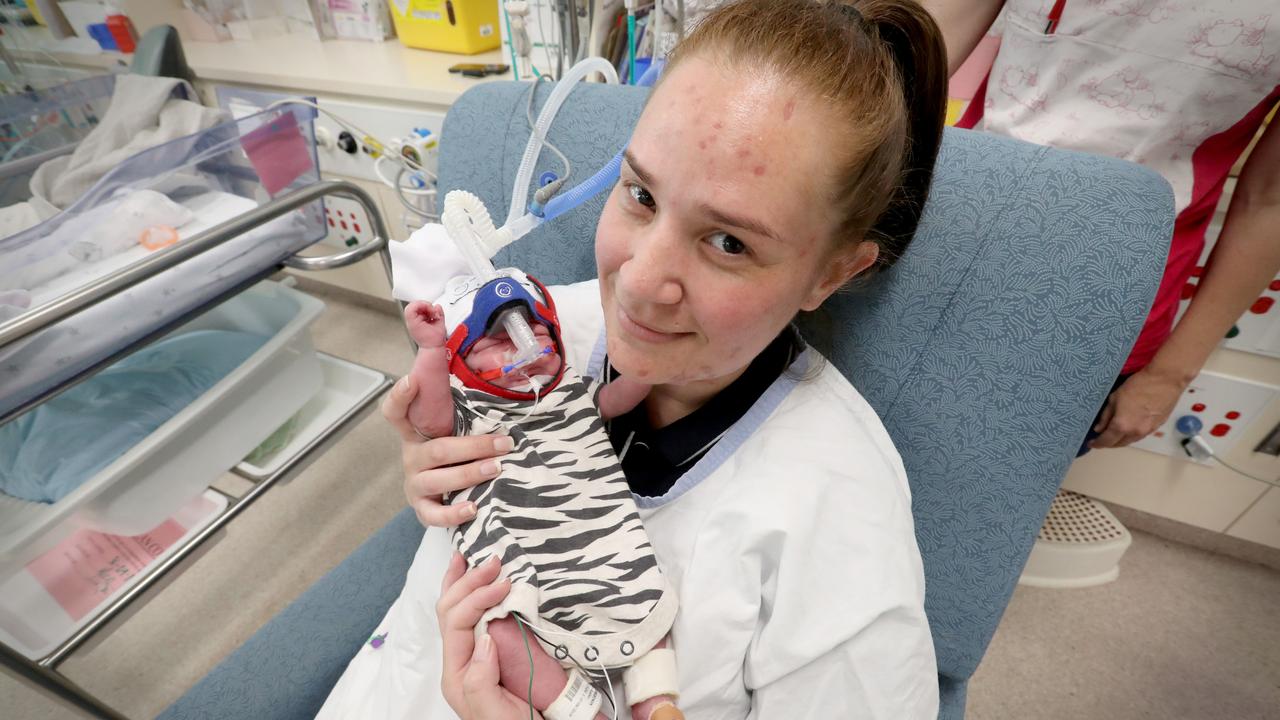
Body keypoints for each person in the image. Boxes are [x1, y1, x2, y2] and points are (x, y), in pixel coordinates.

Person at [317, 1, 948, 718]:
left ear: (831, 273)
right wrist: (434, 465)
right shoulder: (544, 329)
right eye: (641, 195)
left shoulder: (837, 512)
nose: (640, 283)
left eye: (729, 243)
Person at [923, 0, 1280, 453]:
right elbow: (909, 60)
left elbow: (1269, 202)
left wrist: (1171, 373)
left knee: (983, 490)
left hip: (1103, 309)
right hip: (938, 241)